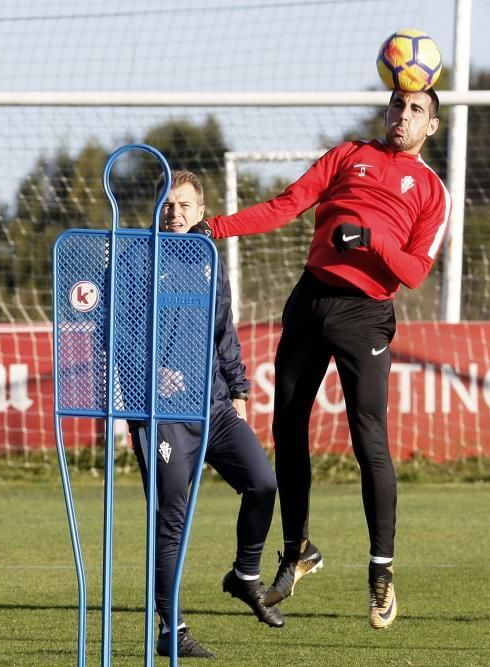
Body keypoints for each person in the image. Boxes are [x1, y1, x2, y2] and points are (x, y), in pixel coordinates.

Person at [197, 89, 449, 630]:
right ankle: (298, 547)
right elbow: (286, 205)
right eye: (397, 106)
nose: (402, 117)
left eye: (415, 111)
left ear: (431, 126)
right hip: (310, 298)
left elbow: (415, 272)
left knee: (369, 439)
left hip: (366, 316)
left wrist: (371, 240)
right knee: (287, 425)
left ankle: (380, 572)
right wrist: (215, 226)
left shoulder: (430, 189)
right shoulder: (347, 155)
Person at [130, 170, 283, 658]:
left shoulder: (208, 259)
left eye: (184, 205)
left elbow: (224, 330)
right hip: (161, 414)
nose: (175, 213)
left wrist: (239, 388)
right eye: (168, 204)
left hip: (213, 405)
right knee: (171, 518)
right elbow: (115, 334)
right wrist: (150, 373)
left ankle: (244, 574)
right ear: (157, 210)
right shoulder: (136, 259)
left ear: (201, 213)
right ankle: (171, 629)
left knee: (263, 484)